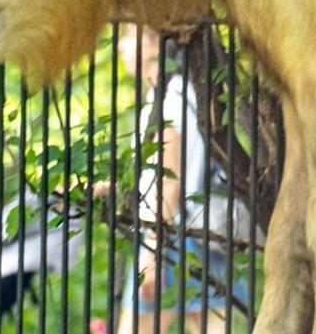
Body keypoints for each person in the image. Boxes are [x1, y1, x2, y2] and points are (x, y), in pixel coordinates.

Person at [112, 25, 261, 334]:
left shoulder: (168, 98)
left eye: (128, 36)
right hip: (206, 237)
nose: (120, 47)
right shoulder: (190, 93)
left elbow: (169, 181)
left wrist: (151, 254)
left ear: (155, 44)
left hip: (171, 238)